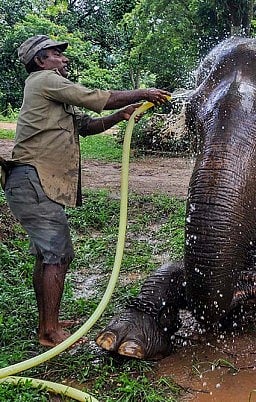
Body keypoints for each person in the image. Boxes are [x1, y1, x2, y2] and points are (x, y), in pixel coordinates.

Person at [1, 34, 171, 347]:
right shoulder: (43, 80)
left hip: (33, 182)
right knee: (58, 255)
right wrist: (143, 91)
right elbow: (96, 96)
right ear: (41, 60)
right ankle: (49, 332)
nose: (64, 59)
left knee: (47, 256)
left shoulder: (53, 94)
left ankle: (47, 322)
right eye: (56, 54)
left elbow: (86, 125)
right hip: (33, 179)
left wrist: (118, 116)